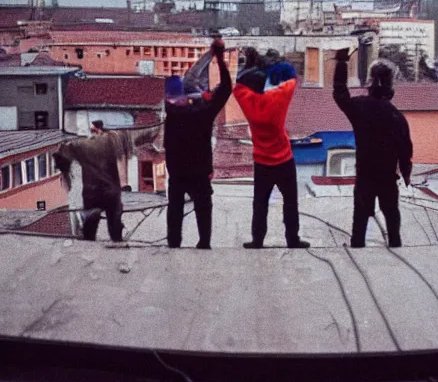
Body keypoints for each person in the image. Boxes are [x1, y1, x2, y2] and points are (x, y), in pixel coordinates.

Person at [333, 49, 413, 248]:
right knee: (392, 221)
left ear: (371, 81)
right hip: (387, 177)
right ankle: (396, 250)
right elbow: (405, 150)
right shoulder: (396, 116)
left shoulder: (360, 107)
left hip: (365, 174)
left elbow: (340, 93)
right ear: (390, 84)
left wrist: (342, 63)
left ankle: (357, 250)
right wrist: (406, 174)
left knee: (359, 222)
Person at [233, 49, 309, 249]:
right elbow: (292, 78)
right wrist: (270, 69)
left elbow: (238, 86)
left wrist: (251, 66)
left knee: (260, 203)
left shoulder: (248, 101)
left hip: (261, 161)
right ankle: (292, 239)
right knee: (290, 202)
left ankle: (257, 240)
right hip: (284, 159)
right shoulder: (278, 98)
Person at [163, 38, 232, 249]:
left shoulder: (171, 115)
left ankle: (174, 244)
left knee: (174, 207)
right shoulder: (202, 114)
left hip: (177, 172)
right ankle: (204, 243)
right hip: (199, 171)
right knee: (203, 207)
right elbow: (227, 88)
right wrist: (219, 58)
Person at [53, 122, 158, 242]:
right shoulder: (112, 141)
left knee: (89, 229)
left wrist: (64, 168)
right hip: (111, 192)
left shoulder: (80, 145)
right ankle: (116, 237)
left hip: (92, 193)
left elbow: (61, 157)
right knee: (114, 222)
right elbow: (137, 137)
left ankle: (89, 235)